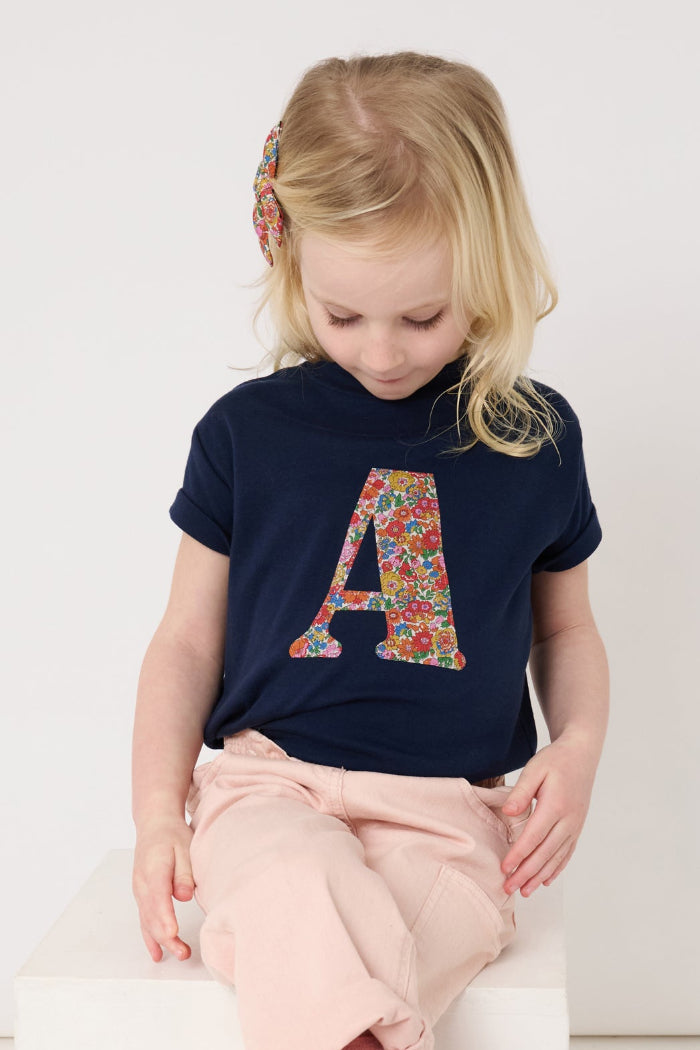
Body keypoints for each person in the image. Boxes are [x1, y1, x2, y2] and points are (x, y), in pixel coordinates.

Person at [131, 51, 609, 1050]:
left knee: (380, 957)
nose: (381, 352)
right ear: (290, 264)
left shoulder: (534, 437)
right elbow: (183, 641)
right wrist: (157, 814)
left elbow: (564, 630)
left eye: (423, 316)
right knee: (296, 892)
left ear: (488, 268)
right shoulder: (243, 433)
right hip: (270, 786)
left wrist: (574, 749)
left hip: (448, 816)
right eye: (342, 314)